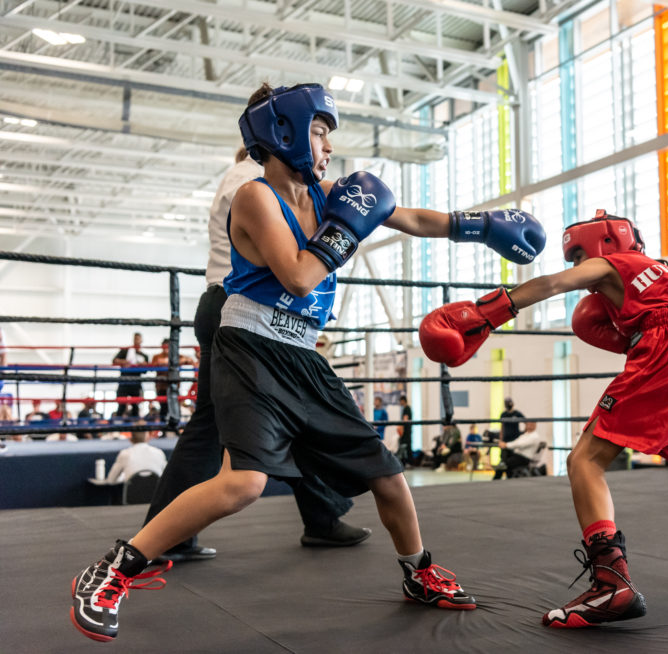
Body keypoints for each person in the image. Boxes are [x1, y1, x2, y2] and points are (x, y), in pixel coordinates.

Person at [71, 82, 545, 642]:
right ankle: (114, 569)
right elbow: (298, 274)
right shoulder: (255, 197)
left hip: (303, 355)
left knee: (388, 477)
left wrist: (483, 227)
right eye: (318, 132)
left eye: (327, 134)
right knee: (244, 482)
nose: (327, 146)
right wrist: (344, 230)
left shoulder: (324, 193)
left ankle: (419, 573)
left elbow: (407, 218)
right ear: (284, 135)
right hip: (248, 347)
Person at [420, 209, 668, 628]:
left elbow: (553, 284)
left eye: (577, 257)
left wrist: (491, 311)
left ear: (600, 244)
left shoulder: (610, 264)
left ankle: (612, 584)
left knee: (584, 459)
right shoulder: (666, 274)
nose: (577, 267)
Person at [142, 146, 367, 566]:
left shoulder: (260, 182)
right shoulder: (252, 185)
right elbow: (292, 261)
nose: (322, 146)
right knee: (214, 426)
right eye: (312, 133)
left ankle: (322, 517)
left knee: (289, 415)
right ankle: (165, 536)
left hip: (253, 309)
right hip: (242, 309)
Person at [148, 338, 196, 426]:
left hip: (174, 386)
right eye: (165, 347)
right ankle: (164, 429)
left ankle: (175, 427)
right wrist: (173, 362)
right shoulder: (157, 356)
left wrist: (171, 362)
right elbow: (153, 365)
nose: (166, 349)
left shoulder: (176, 356)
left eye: (168, 347)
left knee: (174, 407)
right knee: (163, 407)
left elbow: (190, 360)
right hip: (161, 387)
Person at [113, 333, 148, 418]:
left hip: (136, 382)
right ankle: (117, 424)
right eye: (135, 339)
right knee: (121, 404)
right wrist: (124, 362)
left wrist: (142, 365)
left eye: (138, 339)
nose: (137, 341)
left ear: (141, 340)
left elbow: (145, 371)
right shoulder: (125, 351)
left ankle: (135, 426)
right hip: (124, 381)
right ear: (133, 339)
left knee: (135, 405)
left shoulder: (144, 355)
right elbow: (115, 360)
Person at [396, 395, 413, 465]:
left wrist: (401, 428)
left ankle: (408, 462)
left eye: (400, 401)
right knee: (406, 446)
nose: (400, 402)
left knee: (406, 446)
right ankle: (407, 462)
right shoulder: (406, 408)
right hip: (407, 430)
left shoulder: (406, 409)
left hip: (406, 431)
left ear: (403, 401)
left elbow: (405, 420)